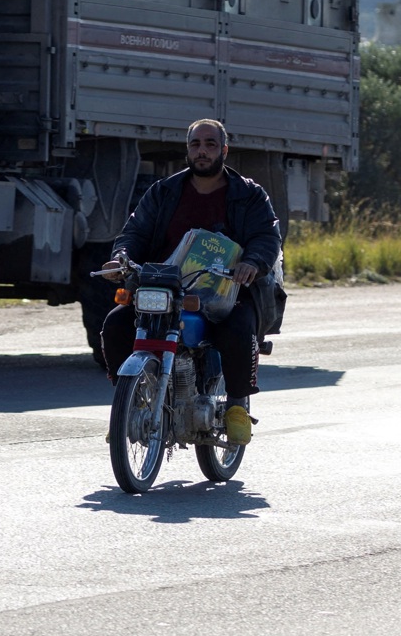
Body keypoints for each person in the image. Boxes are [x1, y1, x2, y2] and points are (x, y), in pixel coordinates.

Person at [99, 118, 281, 445]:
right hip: (166, 286)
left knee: (239, 328)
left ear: (224, 150)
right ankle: (127, 401)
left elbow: (266, 236)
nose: (202, 151)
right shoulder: (164, 191)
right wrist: (121, 258)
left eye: (211, 144)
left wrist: (252, 263)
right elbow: (135, 232)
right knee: (117, 323)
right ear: (188, 149)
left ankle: (237, 405)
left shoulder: (249, 195)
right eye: (196, 144)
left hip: (226, 290)